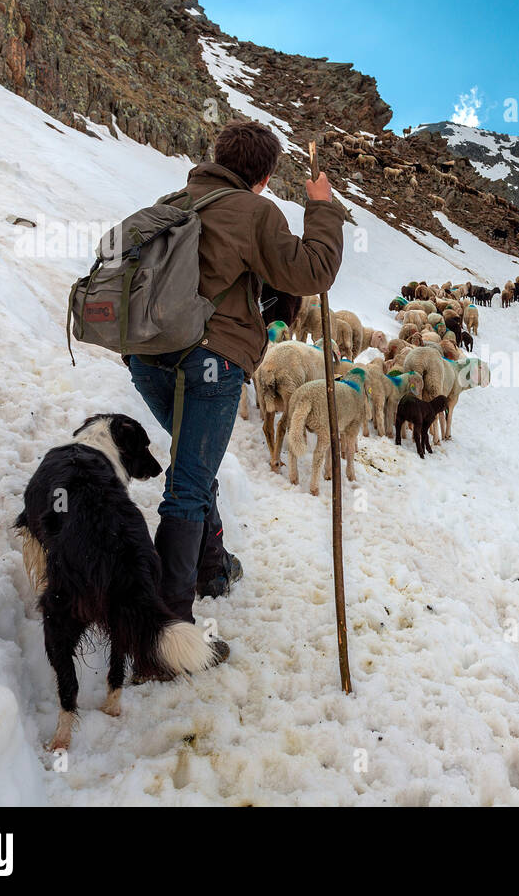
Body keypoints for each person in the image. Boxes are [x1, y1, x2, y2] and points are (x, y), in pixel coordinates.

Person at [127, 120, 344, 648]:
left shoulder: (173, 201)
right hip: (210, 362)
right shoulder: (254, 212)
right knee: (189, 481)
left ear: (217, 156)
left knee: (192, 464)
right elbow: (312, 272)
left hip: (145, 357)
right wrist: (322, 206)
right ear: (265, 177)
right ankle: (167, 632)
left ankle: (213, 567)